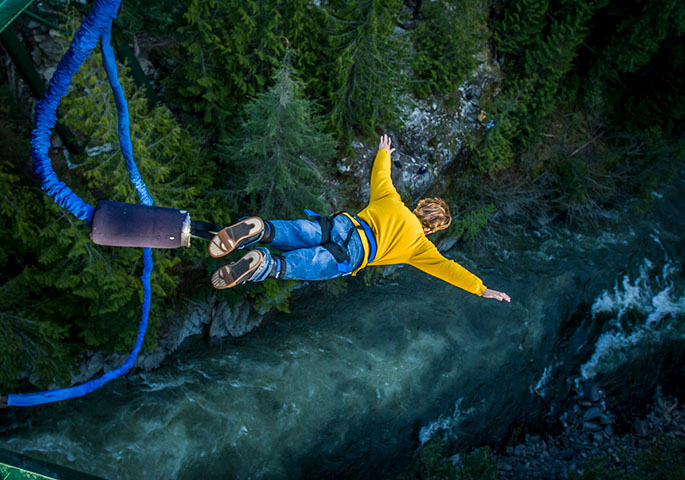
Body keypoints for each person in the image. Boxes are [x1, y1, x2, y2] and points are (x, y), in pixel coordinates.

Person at [208, 134, 511, 302]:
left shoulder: (391, 199)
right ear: (430, 229)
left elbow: (381, 175)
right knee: (298, 265)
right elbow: (448, 269)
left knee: (299, 231)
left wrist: (384, 152)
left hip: (343, 224)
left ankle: (261, 229)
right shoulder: (420, 246)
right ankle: (264, 263)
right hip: (353, 253)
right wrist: (481, 288)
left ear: (419, 206)